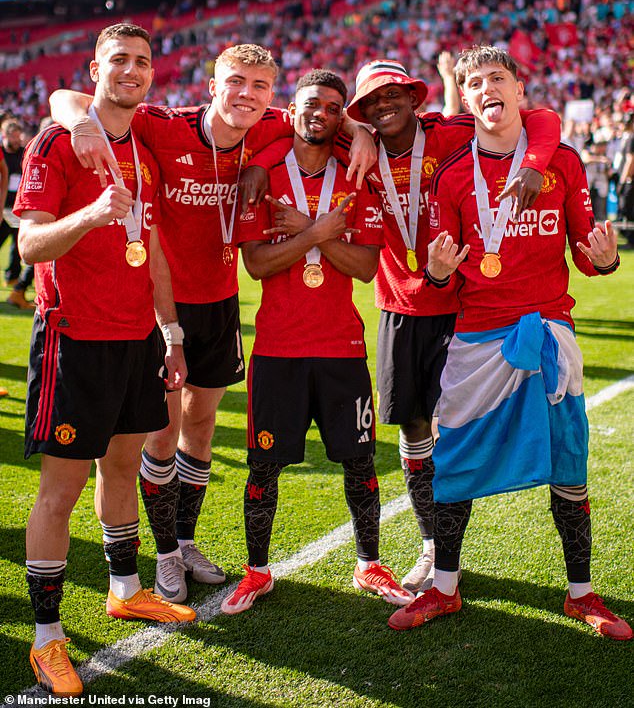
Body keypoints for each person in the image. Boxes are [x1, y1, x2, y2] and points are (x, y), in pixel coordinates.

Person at [49, 44, 376, 605]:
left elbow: (325, 118)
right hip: (165, 305)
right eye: (236, 82)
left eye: (259, 86)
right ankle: (165, 559)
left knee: (200, 429)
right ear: (211, 86)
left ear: (272, 96)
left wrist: (358, 129)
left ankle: (185, 539)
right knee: (162, 432)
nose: (246, 94)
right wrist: (80, 122)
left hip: (223, 302)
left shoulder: (270, 124)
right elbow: (70, 96)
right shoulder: (163, 124)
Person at [387, 45, 632, 641]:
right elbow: (442, 270)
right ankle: (444, 588)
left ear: (521, 90)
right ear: (466, 101)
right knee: (455, 465)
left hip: (550, 332)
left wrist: (601, 260)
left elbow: (584, 249)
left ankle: (581, 594)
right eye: (473, 83)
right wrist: (441, 273)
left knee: (568, 467)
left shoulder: (564, 163)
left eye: (497, 78)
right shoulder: (451, 176)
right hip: (475, 341)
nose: (485, 88)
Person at [14, 23, 196, 698]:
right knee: (59, 491)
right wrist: (91, 213)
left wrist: (171, 334)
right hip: (75, 339)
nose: (132, 70)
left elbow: (147, 251)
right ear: (94, 68)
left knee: (122, 466)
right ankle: (46, 637)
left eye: (142, 62)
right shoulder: (58, 140)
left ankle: (125, 588)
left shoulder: (138, 146)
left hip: (135, 339)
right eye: (118, 59)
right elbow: (31, 245)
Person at [345, 57, 562, 593]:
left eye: (394, 92)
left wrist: (533, 162)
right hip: (400, 308)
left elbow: (541, 117)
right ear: (365, 111)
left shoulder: (451, 131)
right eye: (372, 100)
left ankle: (447, 552)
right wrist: (353, 131)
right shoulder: (357, 148)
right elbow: (299, 119)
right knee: (414, 430)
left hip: (463, 309)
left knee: (461, 433)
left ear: (416, 96)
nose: (385, 103)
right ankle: (429, 546)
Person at [222, 69, 413, 615]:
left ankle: (369, 562)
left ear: (341, 118)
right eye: (312, 104)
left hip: (341, 347)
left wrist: (311, 230)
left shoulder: (358, 177)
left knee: (359, 463)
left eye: (333, 107)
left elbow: (365, 266)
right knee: (264, 467)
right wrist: (317, 233)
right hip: (278, 348)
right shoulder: (262, 175)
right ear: (291, 109)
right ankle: (257, 571)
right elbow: (256, 264)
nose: (320, 114)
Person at [1, 119, 36, 308]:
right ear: (4, 135)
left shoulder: (23, 154)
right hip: (3, 207)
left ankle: (13, 278)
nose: (16, 140)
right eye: (12, 136)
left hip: (16, 208)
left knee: (17, 246)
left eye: (17, 136)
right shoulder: (2, 154)